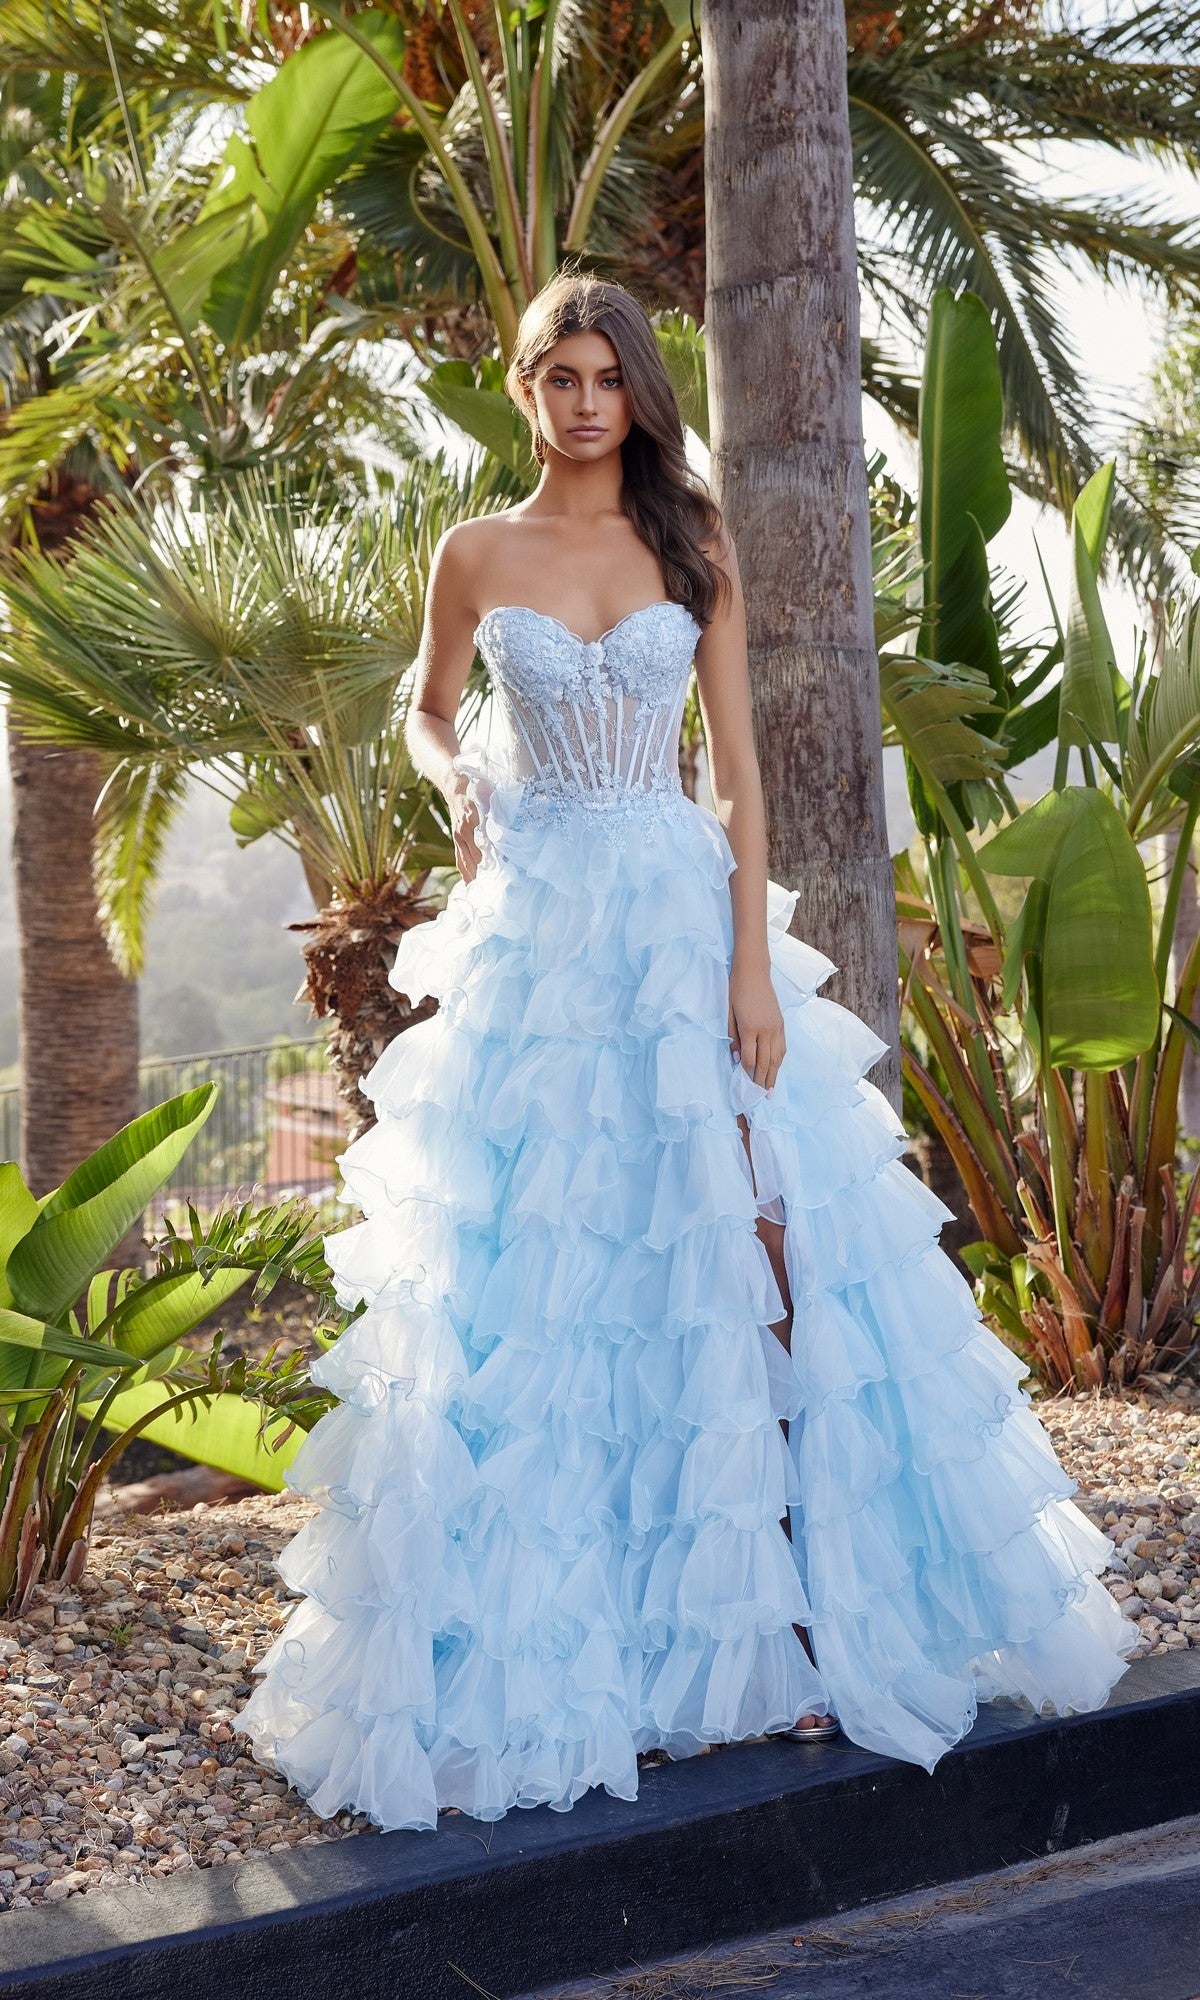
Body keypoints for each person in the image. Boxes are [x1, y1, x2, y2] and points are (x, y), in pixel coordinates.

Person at [233, 270, 1135, 1834]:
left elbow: (739, 781)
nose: (587, 400)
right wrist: (459, 774)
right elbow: (427, 707)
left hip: (670, 914)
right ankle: (607, 1661)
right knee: (559, 1276)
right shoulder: (474, 552)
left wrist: (750, 969)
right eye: (561, 376)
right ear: (526, 390)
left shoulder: (691, 547)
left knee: (749, 1246)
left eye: (608, 376)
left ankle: (775, 1634)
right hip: (535, 934)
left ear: (639, 392)